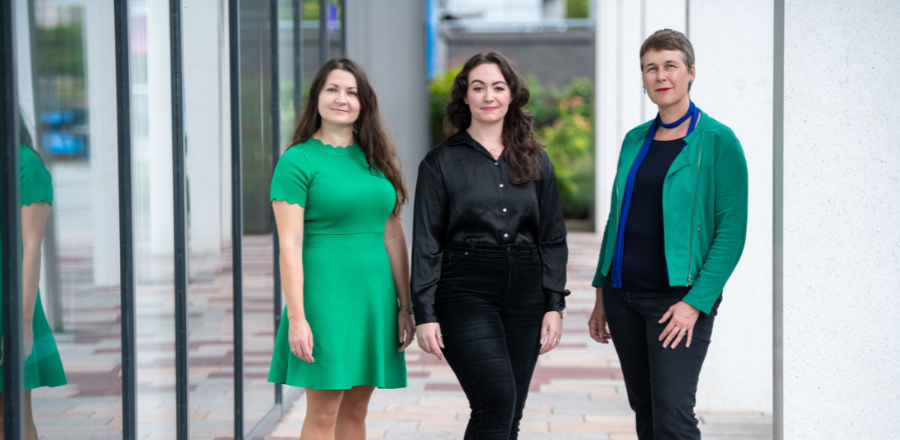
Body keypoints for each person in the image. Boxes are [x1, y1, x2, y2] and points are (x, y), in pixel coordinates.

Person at [587, 29, 749, 439]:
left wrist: (695, 303)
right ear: (643, 78)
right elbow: (616, 220)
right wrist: (601, 292)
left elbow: (731, 232)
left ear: (691, 72)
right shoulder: (634, 140)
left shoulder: (717, 142)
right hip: (624, 297)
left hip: (677, 300)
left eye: (670, 65)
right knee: (645, 410)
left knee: (674, 415)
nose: (661, 75)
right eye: (650, 68)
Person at [412, 51, 569, 440]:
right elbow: (426, 240)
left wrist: (554, 305)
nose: (488, 96)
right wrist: (425, 312)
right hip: (465, 288)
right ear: (464, 96)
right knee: (495, 402)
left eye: (498, 87)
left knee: (510, 411)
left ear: (512, 95)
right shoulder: (440, 162)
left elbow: (552, 235)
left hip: (526, 292)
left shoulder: (536, 160)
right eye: (477, 87)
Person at [267, 58, 414, 440]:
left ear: (363, 103)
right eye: (332, 89)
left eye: (351, 92)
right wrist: (297, 318)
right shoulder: (298, 160)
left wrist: (405, 306)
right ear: (317, 96)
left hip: (373, 300)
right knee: (323, 412)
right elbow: (289, 244)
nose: (341, 99)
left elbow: (393, 235)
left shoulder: (375, 159)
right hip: (325, 299)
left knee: (357, 410)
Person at [0, 114, 67, 440]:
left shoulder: (25, 164)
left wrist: (22, 322)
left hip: (10, 305)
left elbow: (32, 248)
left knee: (12, 418)